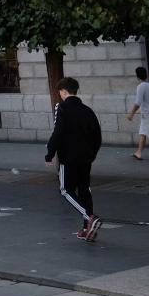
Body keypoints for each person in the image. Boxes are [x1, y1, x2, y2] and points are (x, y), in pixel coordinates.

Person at [45, 76, 104, 243]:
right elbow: (97, 136)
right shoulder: (88, 110)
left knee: (65, 189)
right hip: (86, 157)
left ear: (63, 91)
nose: (60, 96)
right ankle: (87, 229)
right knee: (85, 189)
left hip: (68, 157)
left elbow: (58, 132)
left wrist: (50, 153)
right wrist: (92, 153)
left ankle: (89, 217)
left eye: (60, 93)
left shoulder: (61, 107)